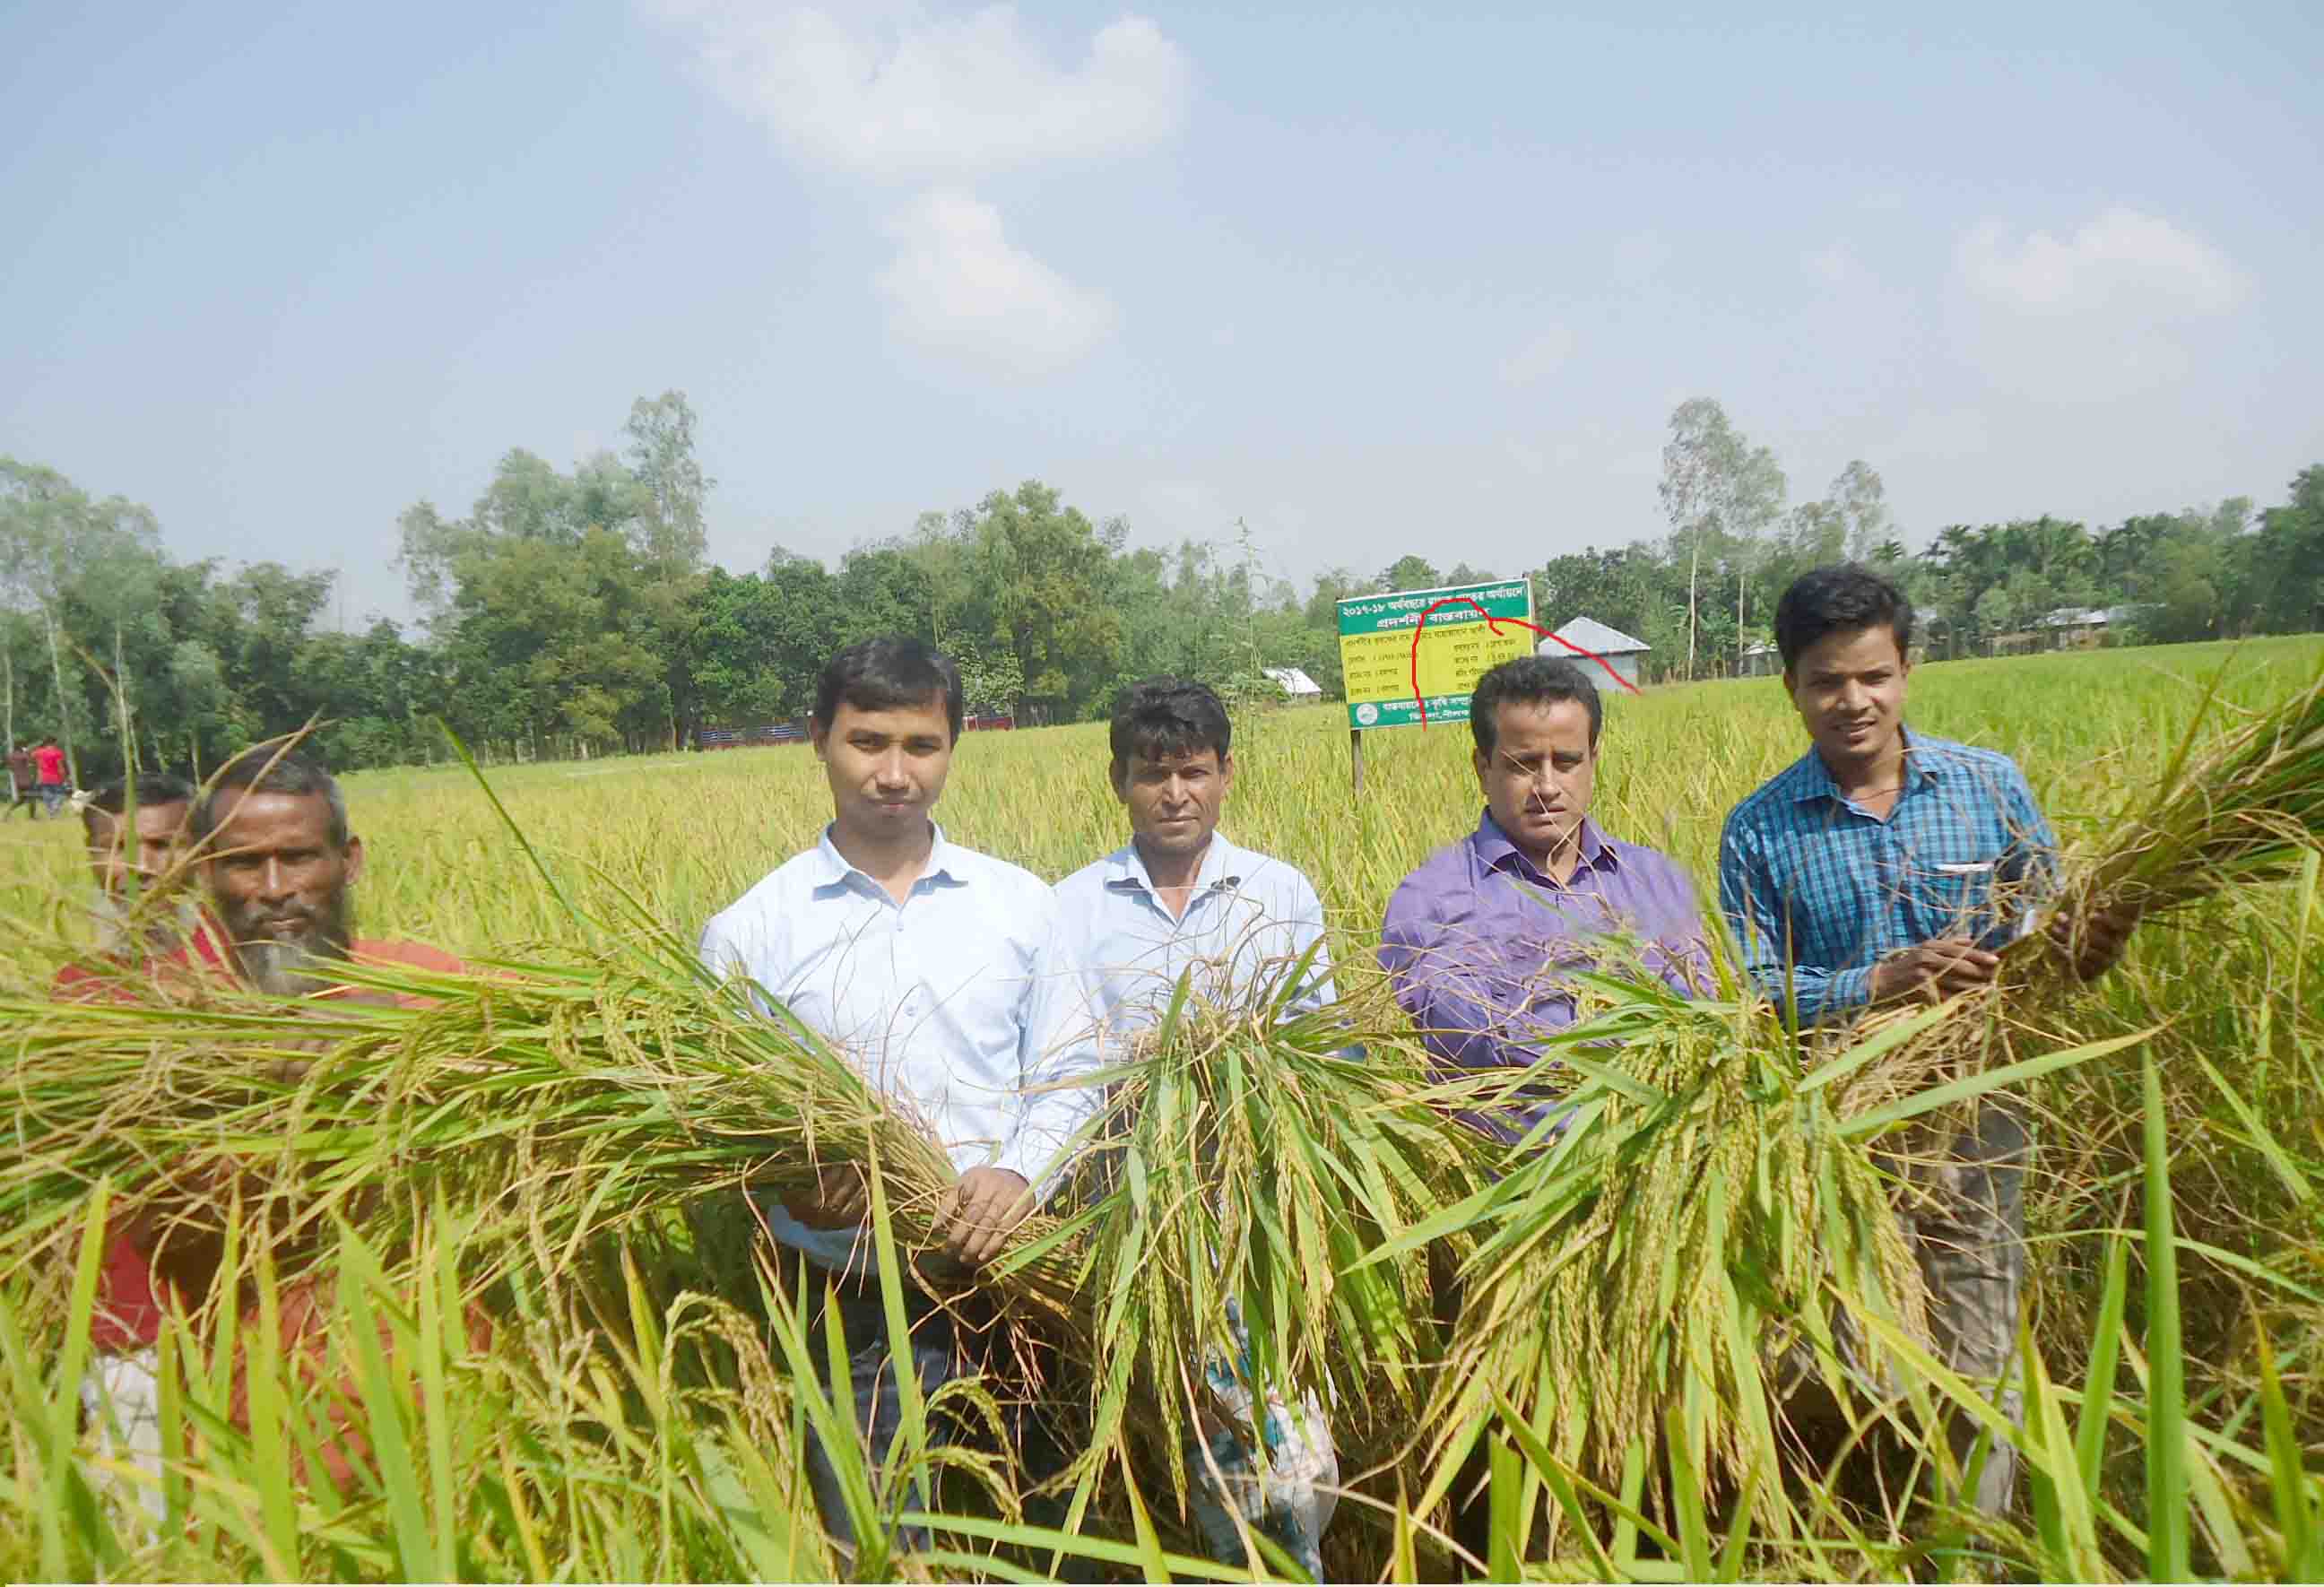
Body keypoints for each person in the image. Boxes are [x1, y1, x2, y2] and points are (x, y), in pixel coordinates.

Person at [1716, 563, 2137, 1520]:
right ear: (1792, 687)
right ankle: (1879, 1511)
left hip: (1983, 1110)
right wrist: (1873, 982)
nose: (1853, 700)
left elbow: (2051, 945)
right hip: (1843, 1131)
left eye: (1873, 675)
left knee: (1981, 1345)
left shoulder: (1989, 788)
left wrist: (2085, 946)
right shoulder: (1760, 830)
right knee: (1852, 1349)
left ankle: (1972, 1551)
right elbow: (1750, 991)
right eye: (1827, 681)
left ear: (1907, 668)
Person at [696, 637, 1094, 1558]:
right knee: (889, 1556)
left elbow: (1072, 1069)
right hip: (851, 1312)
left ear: (953, 746)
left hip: (1018, 1298)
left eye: (921, 746)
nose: (894, 773)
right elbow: (720, 1121)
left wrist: (1022, 1173)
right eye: (867, 742)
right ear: (818, 741)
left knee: (1044, 1552)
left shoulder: (1022, 906)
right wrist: (783, 1182)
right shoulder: (753, 932)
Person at [80, 744, 470, 1504]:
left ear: (348, 861)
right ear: (203, 870)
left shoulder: (428, 986)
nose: (273, 890)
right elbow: (153, 1226)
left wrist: (380, 1036)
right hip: (239, 1431)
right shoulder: (147, 1025)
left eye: (298, 858)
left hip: (438, 1416)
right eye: (241, 864)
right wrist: (247, 1093)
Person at [1051, 677, 1338, 1577]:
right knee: (1205, 1448)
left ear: (1226, 776)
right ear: (1117, 781)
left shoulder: (1278, 891)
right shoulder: (1071, 908)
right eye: (1153, 774)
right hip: (1140, 1227)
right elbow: (1061, 1070)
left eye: (1195, 772)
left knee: (1294, 1462)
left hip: (1262, 1220)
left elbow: (1319, 1046)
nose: (1176, 793)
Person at [1380, 655, 1709, 1143]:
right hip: (1506, 1192)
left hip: (1659, 1169)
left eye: (1568, 762)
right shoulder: (1432, 900)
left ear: (1594, 759)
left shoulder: (1660, 881)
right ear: (1483, 766)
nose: (1549, 787)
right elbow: (1467, 1039)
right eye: (1524, 765)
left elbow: (1702, 1013)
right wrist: (1619, 1035)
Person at [62, 773, 200, 966]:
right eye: (119, 847)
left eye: (162, 845)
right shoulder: (77, 982)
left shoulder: (238, 962)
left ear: (203, 851)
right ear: (91, 853)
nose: (141, 867)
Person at [33, 735, 70, 817]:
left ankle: (51, 814)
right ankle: (54, 809)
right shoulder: (57, 752)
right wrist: (65, 779)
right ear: (54, 742)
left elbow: (31, 756)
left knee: (47, 797)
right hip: (55, 778)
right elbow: (60, 767)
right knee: (60, 795)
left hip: (43, 778)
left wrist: (39, 745)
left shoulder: (38, 752)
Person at [6, 741, 38, 818]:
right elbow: (32, 761)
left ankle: (7, 814)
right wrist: (27, 752)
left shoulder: (10, 756)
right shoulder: (24, 755)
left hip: (18, 782)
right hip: (26, 781)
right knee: (32, 799)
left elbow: (10, 768)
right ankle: (32, 817)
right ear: (22, 747)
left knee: (21, 800)